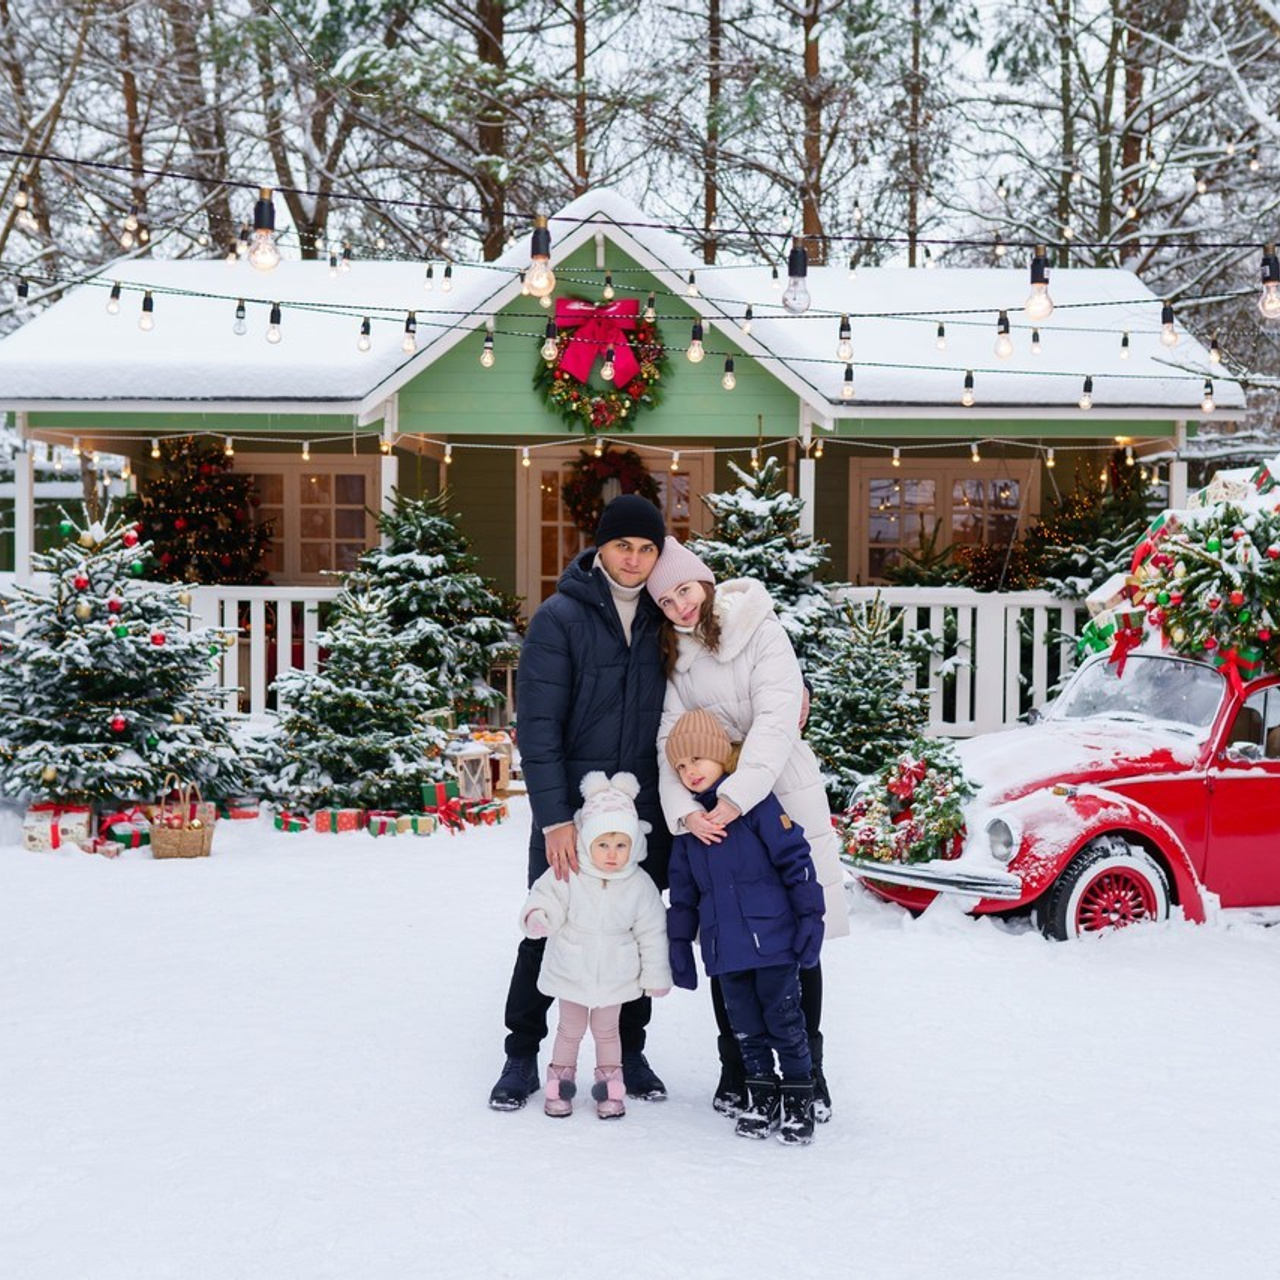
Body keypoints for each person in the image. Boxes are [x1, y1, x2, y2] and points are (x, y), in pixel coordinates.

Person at [646, 535, 849, 1122]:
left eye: (685, 591)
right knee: (726, 931)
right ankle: (739, 1066)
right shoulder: (673, 656)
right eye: (667, 601)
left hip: (776, 786)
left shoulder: (760, 627)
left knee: (794, 935)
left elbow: (778, 716)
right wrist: (685, 811)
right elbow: (668, 739)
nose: (680, 607)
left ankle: (809, 1073)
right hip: (707, 799)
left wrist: (736, 795)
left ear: (704, 583)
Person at [489, 494, 672, 1111]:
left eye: (648, 549)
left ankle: (631, 1051)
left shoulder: (663, 617)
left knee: (633, 926)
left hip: (638, 816)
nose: (636, 560)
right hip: (571, 814)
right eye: (625, 545)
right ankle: (522, 1053)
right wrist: (554, 820)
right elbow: (537, 727)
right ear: (601, 547)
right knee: (548, 924)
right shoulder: (559, 617)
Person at [665, 709, 825, 1144]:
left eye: (697, 759)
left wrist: (811, 919)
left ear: (723, 756)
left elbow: (796, 862)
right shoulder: (688, 829)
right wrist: (680, 942)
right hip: (725, 949)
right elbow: (683, 894)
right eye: (680, 765)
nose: (689, 771)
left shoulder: (755, 805)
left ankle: (798, 1097)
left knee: (785, 1021)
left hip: (773, 941)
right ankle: (761, 1095)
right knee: (746, 1029)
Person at [521, 772, 672, 1119]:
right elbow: (547, 897)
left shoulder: (639, 884)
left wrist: (655, 975)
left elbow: (651, 931)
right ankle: (560, 1081)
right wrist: (539, 916)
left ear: (634, 844)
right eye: (603, 844)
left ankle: (609, 1085)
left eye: (621, 845)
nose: (612, 854)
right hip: (572, 968)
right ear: (587, 840)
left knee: (607, 1031)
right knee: (569, 1029)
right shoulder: (570, 871)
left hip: (615, 975)